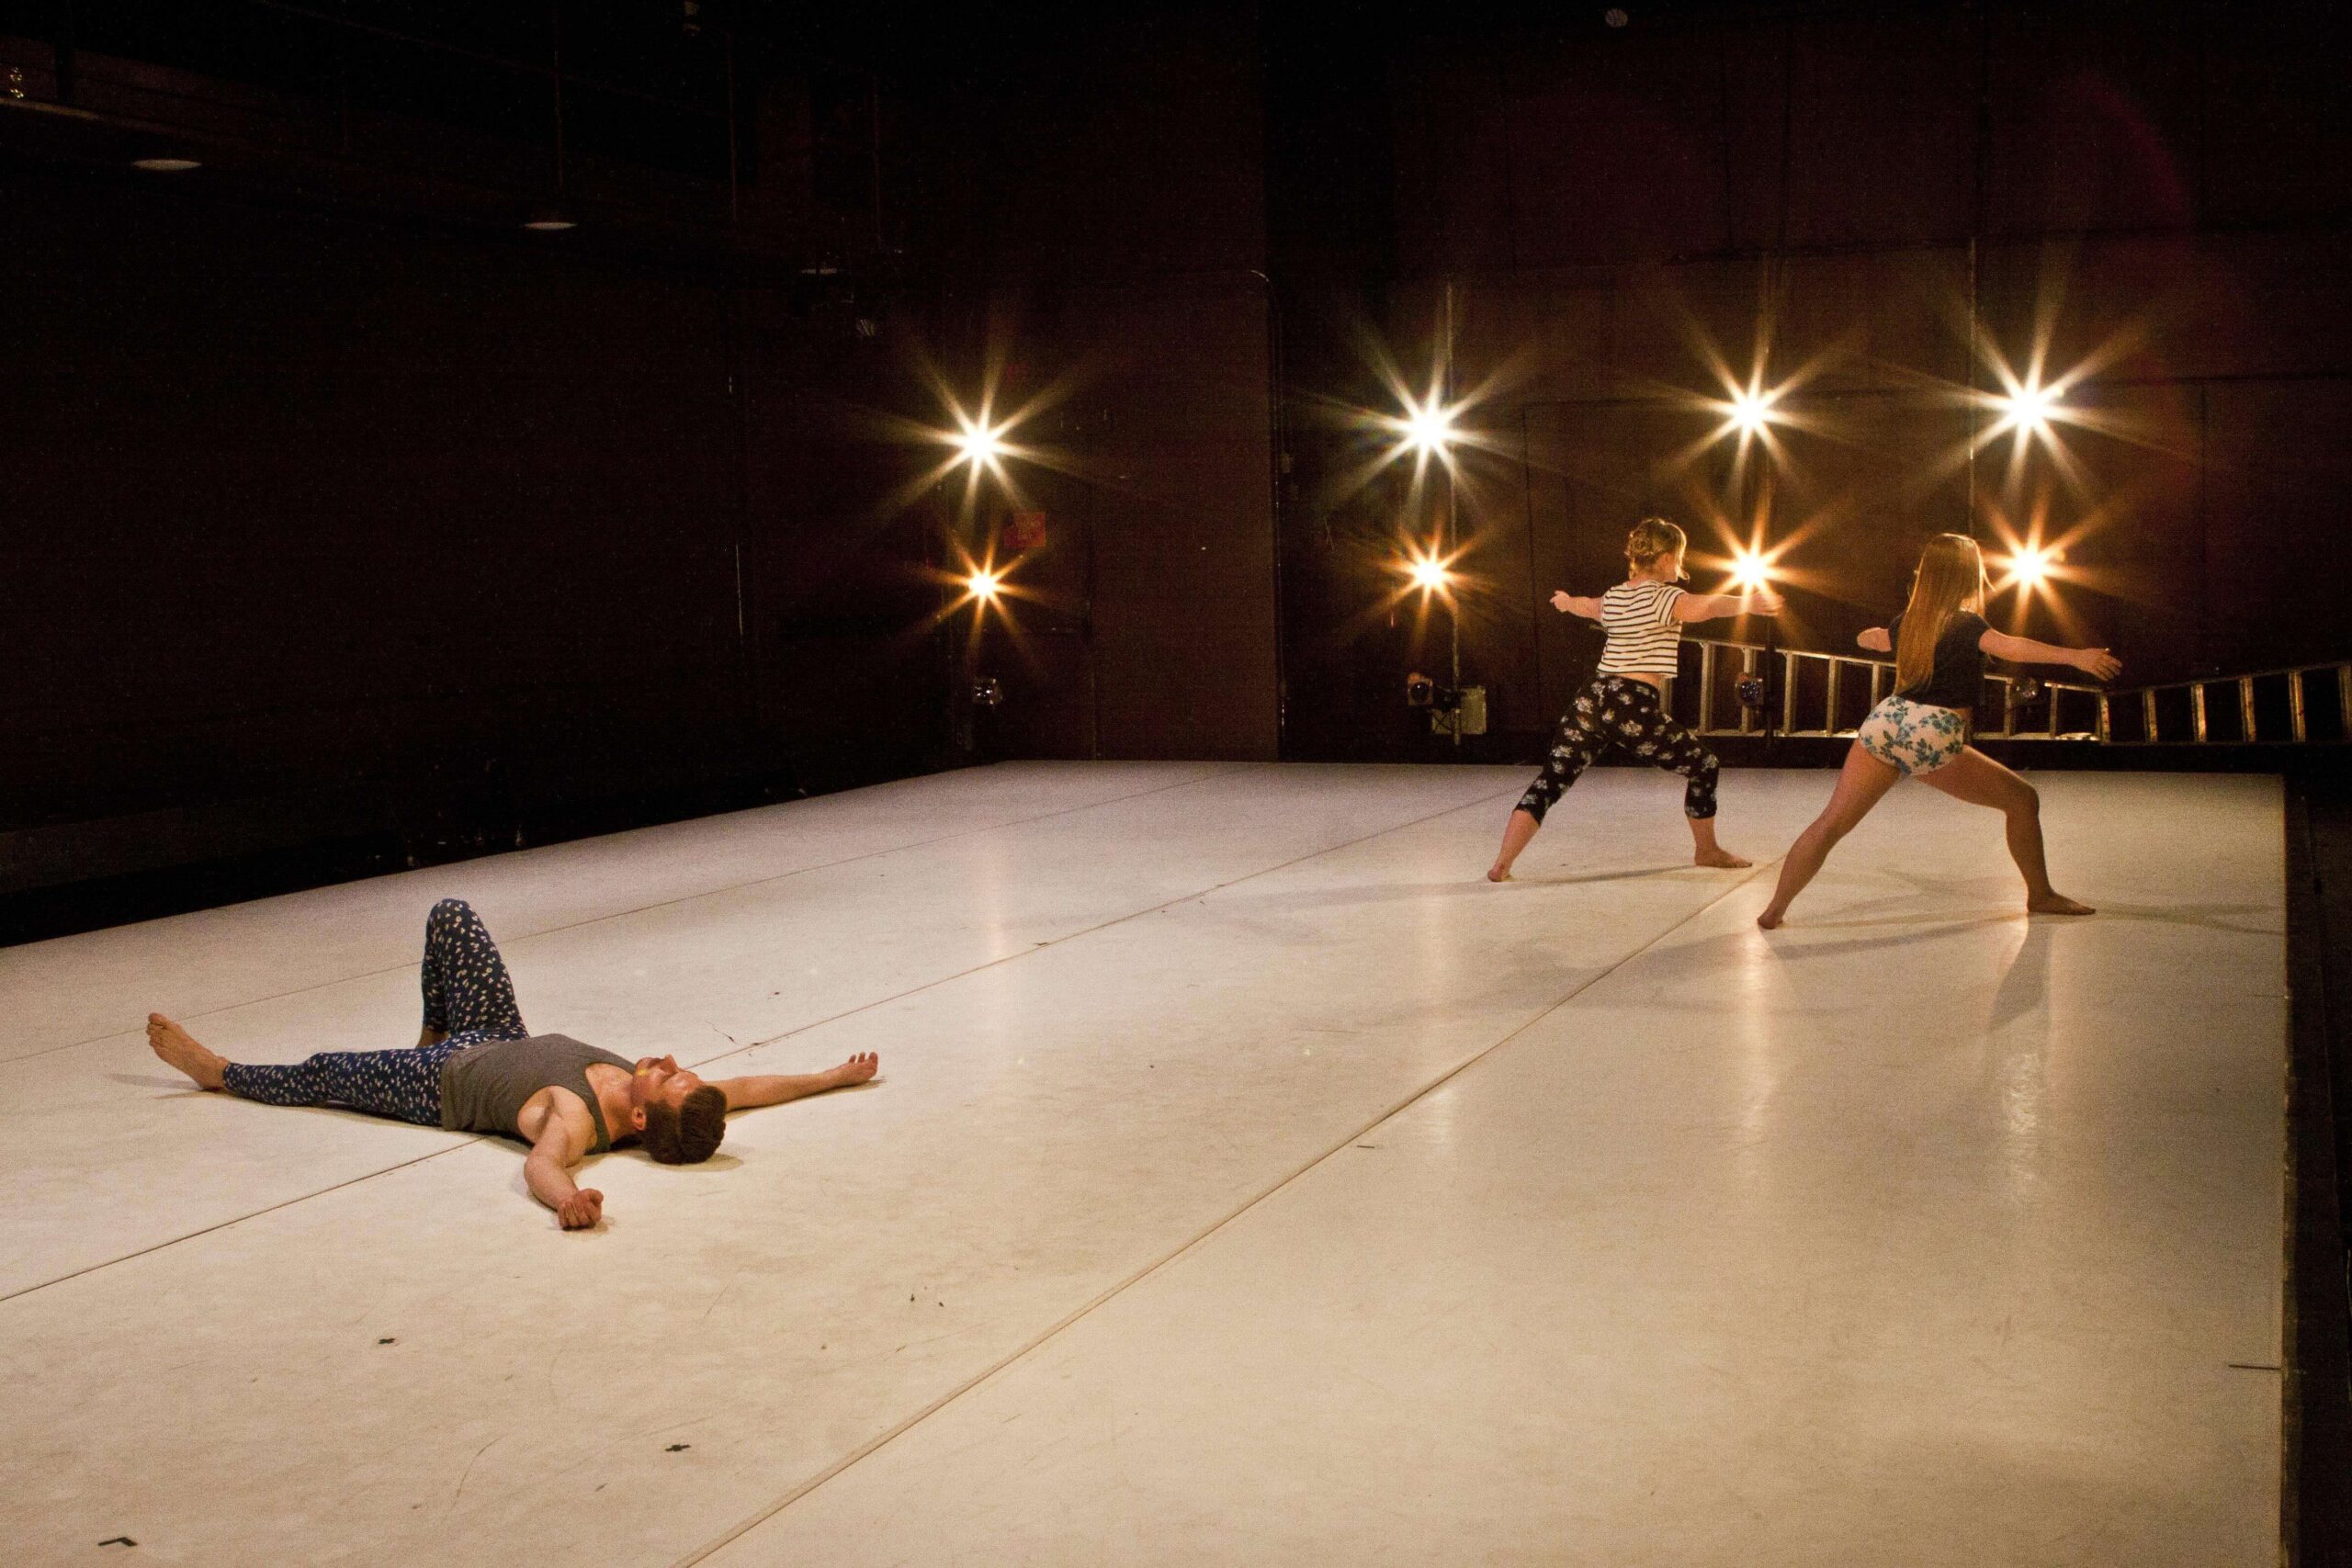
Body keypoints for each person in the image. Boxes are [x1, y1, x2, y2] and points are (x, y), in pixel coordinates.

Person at [145, 897, 878, 1229]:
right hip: (492, 1031)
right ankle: (429, 1030)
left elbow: (541, 1165)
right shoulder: (663, 1093)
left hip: (436, 1084)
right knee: (451, 916)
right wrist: (831, 1076)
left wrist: (568, 1200)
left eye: (671, 1075)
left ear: (644, 1114)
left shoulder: (578, 1121)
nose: (674, 1061)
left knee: (326, 1071)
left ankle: (221, 1072)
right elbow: (750, 1088)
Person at [1755, 532, 2122, 929]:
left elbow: (1876, 639)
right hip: (1932, 730)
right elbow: (2011, 646)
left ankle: (1774, 910)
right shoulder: (1966, 625)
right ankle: (2041, 894)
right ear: (1966, 577)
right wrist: (2075, 657)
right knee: (2023, 801)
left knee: (1830, 824)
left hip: (1885, 722)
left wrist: (1869, 636)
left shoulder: (1908, 621)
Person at [1487, 516, 1782, 882]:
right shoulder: (1665, 597)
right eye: (1678, 557)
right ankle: (1707, 850)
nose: (1680, 566)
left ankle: (1502, 863)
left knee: (1552, 779)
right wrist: (1749, 603)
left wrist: (1564, 602)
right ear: (1663, 559)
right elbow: (1707, 607)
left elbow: (1587, 606)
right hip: (1630, 701)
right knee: (1704, 765)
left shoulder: (1615, 595)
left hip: (1592, 698)